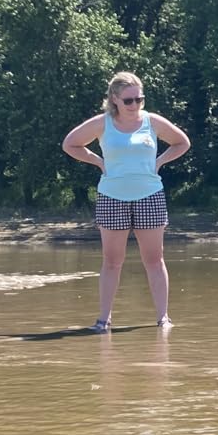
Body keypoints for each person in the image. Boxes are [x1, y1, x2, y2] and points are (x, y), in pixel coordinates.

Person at [61, 72, 191, 331]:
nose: (135, 105)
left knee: (155, 260)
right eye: (129, 100)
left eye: (139, 99)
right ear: (114, 99)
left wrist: (160, 161)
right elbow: (70, 144)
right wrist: (97, 161)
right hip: (111, 197)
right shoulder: (103, 123)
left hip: (149, 196)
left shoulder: (151, 122)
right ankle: (104, 319)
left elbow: (182, 143)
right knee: (112, 261)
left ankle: (163, 318)